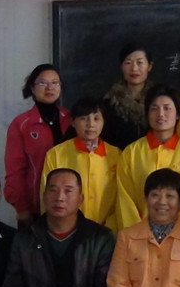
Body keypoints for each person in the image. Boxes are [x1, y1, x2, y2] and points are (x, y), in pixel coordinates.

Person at [116, 85, 180, 229]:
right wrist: (137, 234)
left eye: (167, 108)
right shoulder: (131, 153)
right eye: (154, 109)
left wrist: (176, 233)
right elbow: (125, 200)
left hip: (179, 237)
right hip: (139, 236)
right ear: (147, 114)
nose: (160, 114)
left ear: (178, 114)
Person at [4, 63, 71, 225]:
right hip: (35, 207)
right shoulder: (21, 124)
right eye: (42, 83)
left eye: (55, 83)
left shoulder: (71, 119)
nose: (50, 88)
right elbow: (15, 171)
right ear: (32, 88)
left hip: (69, 204)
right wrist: (22, 207)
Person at [41, 97, 121, 231]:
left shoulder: (117, 155)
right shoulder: (56, 154)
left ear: (104, 122)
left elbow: (121, 198)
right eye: (84, 118)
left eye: (96, 119)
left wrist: (109, 228)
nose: (91, 124)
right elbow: (47, 196)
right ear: (72, 122)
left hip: (107, 230)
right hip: (67, 230)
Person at [102, 42, 154, 149]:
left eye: (140, 62)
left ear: (149, 66)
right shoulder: (109, 101)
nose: (134, 68)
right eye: (128, 63)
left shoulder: (158, 99)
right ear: (121, 66)